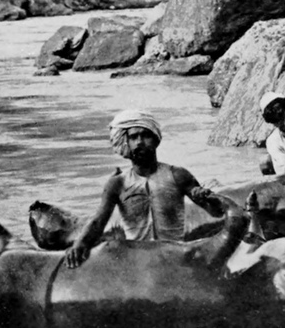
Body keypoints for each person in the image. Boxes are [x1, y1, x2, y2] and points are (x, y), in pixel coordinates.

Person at [65, 110, 224, 268]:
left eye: (145, 136)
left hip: (174, 257)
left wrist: (207, 198)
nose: (140, 142)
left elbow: (216, 212)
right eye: (134, 137)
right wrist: (79, 245)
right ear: (126, 142)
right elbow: (98, 222)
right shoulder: (117, 184)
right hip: (137, 263)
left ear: (155, 140)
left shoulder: (178, 175)